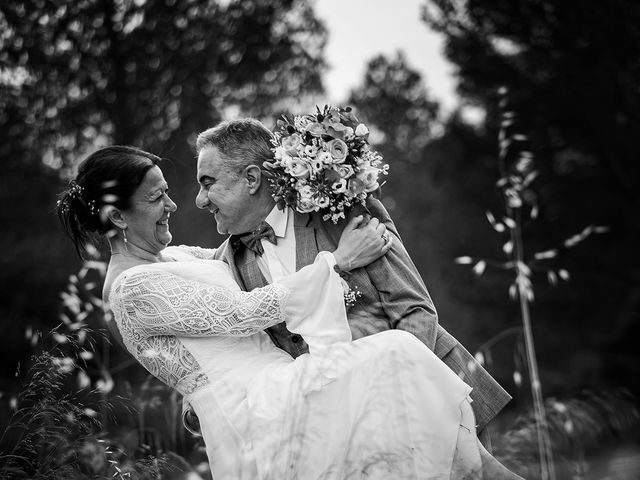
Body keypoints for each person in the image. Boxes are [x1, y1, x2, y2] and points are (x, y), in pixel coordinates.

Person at [57, 146, 522, 479]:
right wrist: (336, 263)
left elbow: (242, 252)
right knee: (394, 357)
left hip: (283, 384)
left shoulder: (175, 258)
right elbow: (240, 313)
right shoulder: (131, 287)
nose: (176, 204)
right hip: (254, 411)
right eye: (157, 197)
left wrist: (309, 187)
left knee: (433, 443)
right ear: (118, 218)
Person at [185, 119, 511, 446]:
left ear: (252, 178)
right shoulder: (227, 262)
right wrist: (198, 402)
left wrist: (391, 404)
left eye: (207, 183)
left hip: (430, 397)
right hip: (341, 434)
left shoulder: (341, 212)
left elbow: (415, 311)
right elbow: (226, 348)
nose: (201, 200)